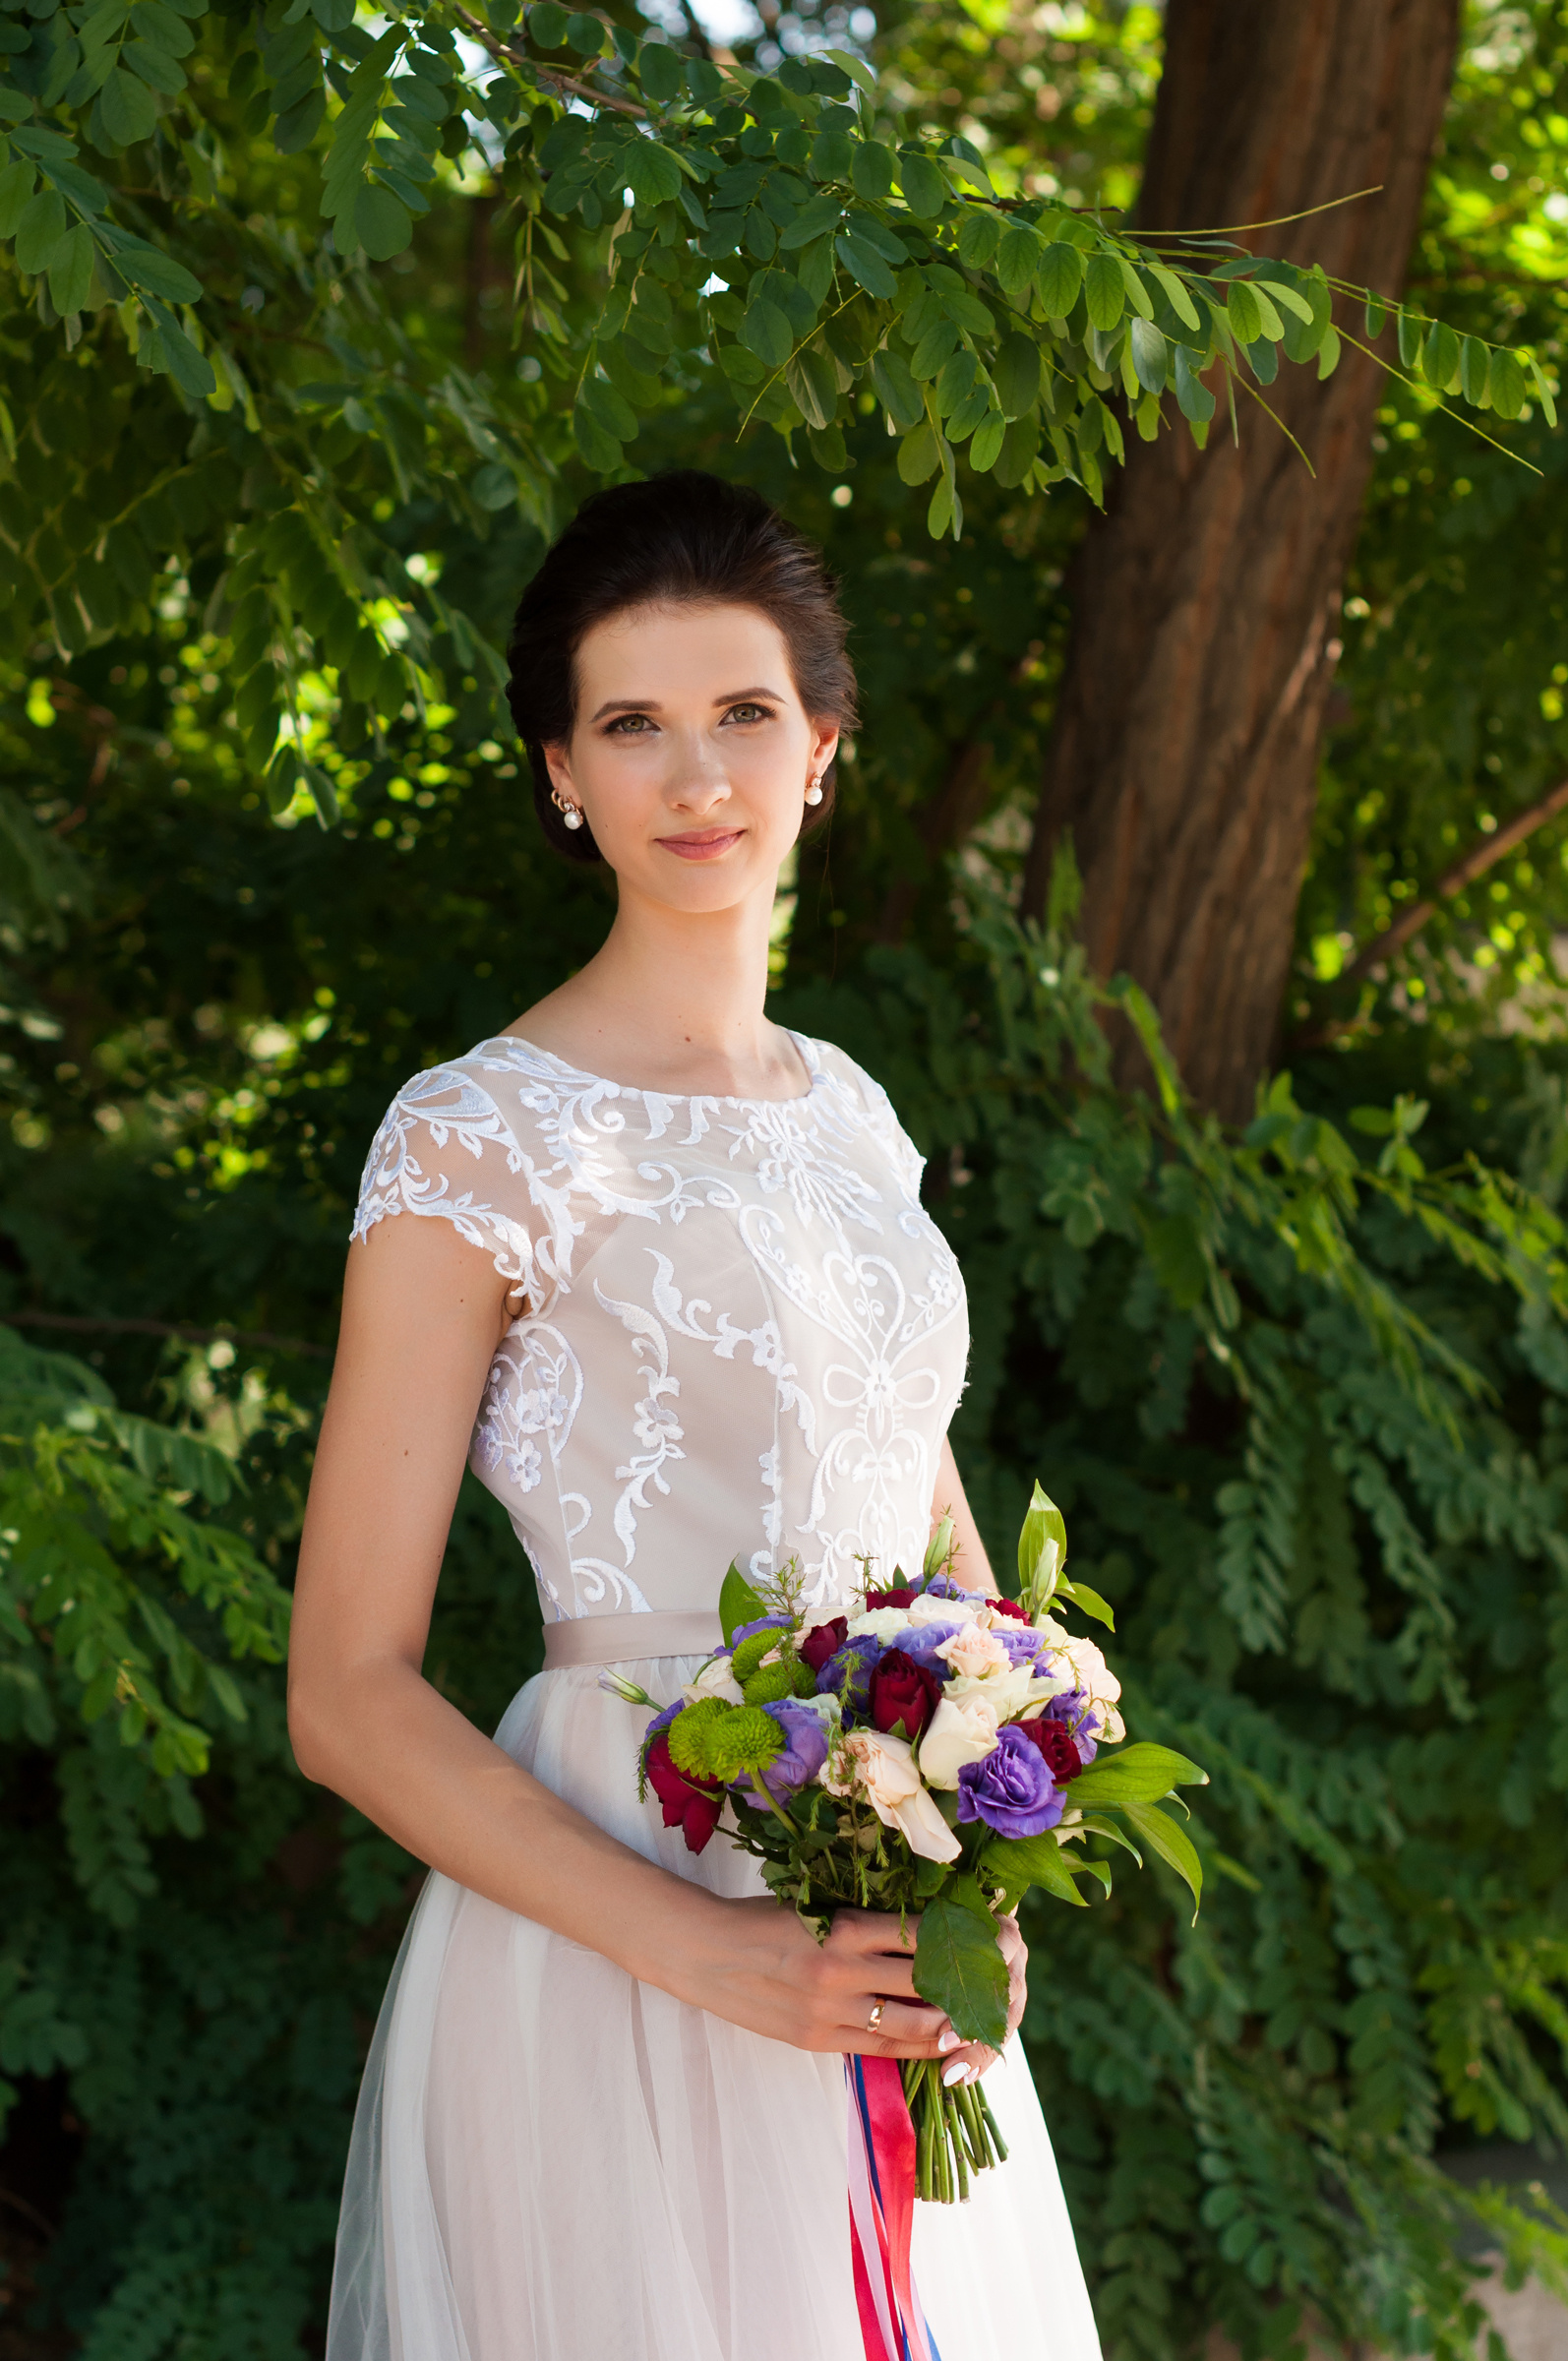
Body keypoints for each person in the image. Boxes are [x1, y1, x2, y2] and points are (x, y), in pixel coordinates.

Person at [289, 471, 1103, 2361]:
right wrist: (709, 1948)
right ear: (561, 775)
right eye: (631, 725)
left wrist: (1001, 1827)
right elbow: (343, 1692)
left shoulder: (851, 1113)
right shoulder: (472, 1136)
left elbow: (933, 1536)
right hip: (615, 1919)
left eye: (742, 713)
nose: (696, 775)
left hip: (886, 1923)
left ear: (822, 746)